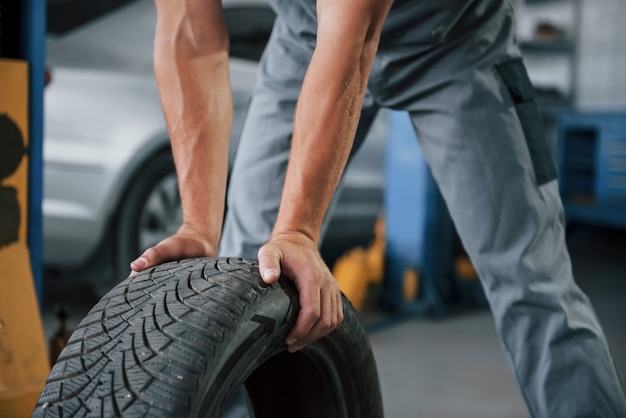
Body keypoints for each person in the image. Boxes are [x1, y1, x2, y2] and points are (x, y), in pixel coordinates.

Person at [131, 0, 626, 416]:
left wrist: (297, 231)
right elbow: (190, 34)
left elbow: (354, 40)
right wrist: (198, 222)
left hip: (454, 40)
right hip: (305, 37)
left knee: (532, 282)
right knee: (247, 278)